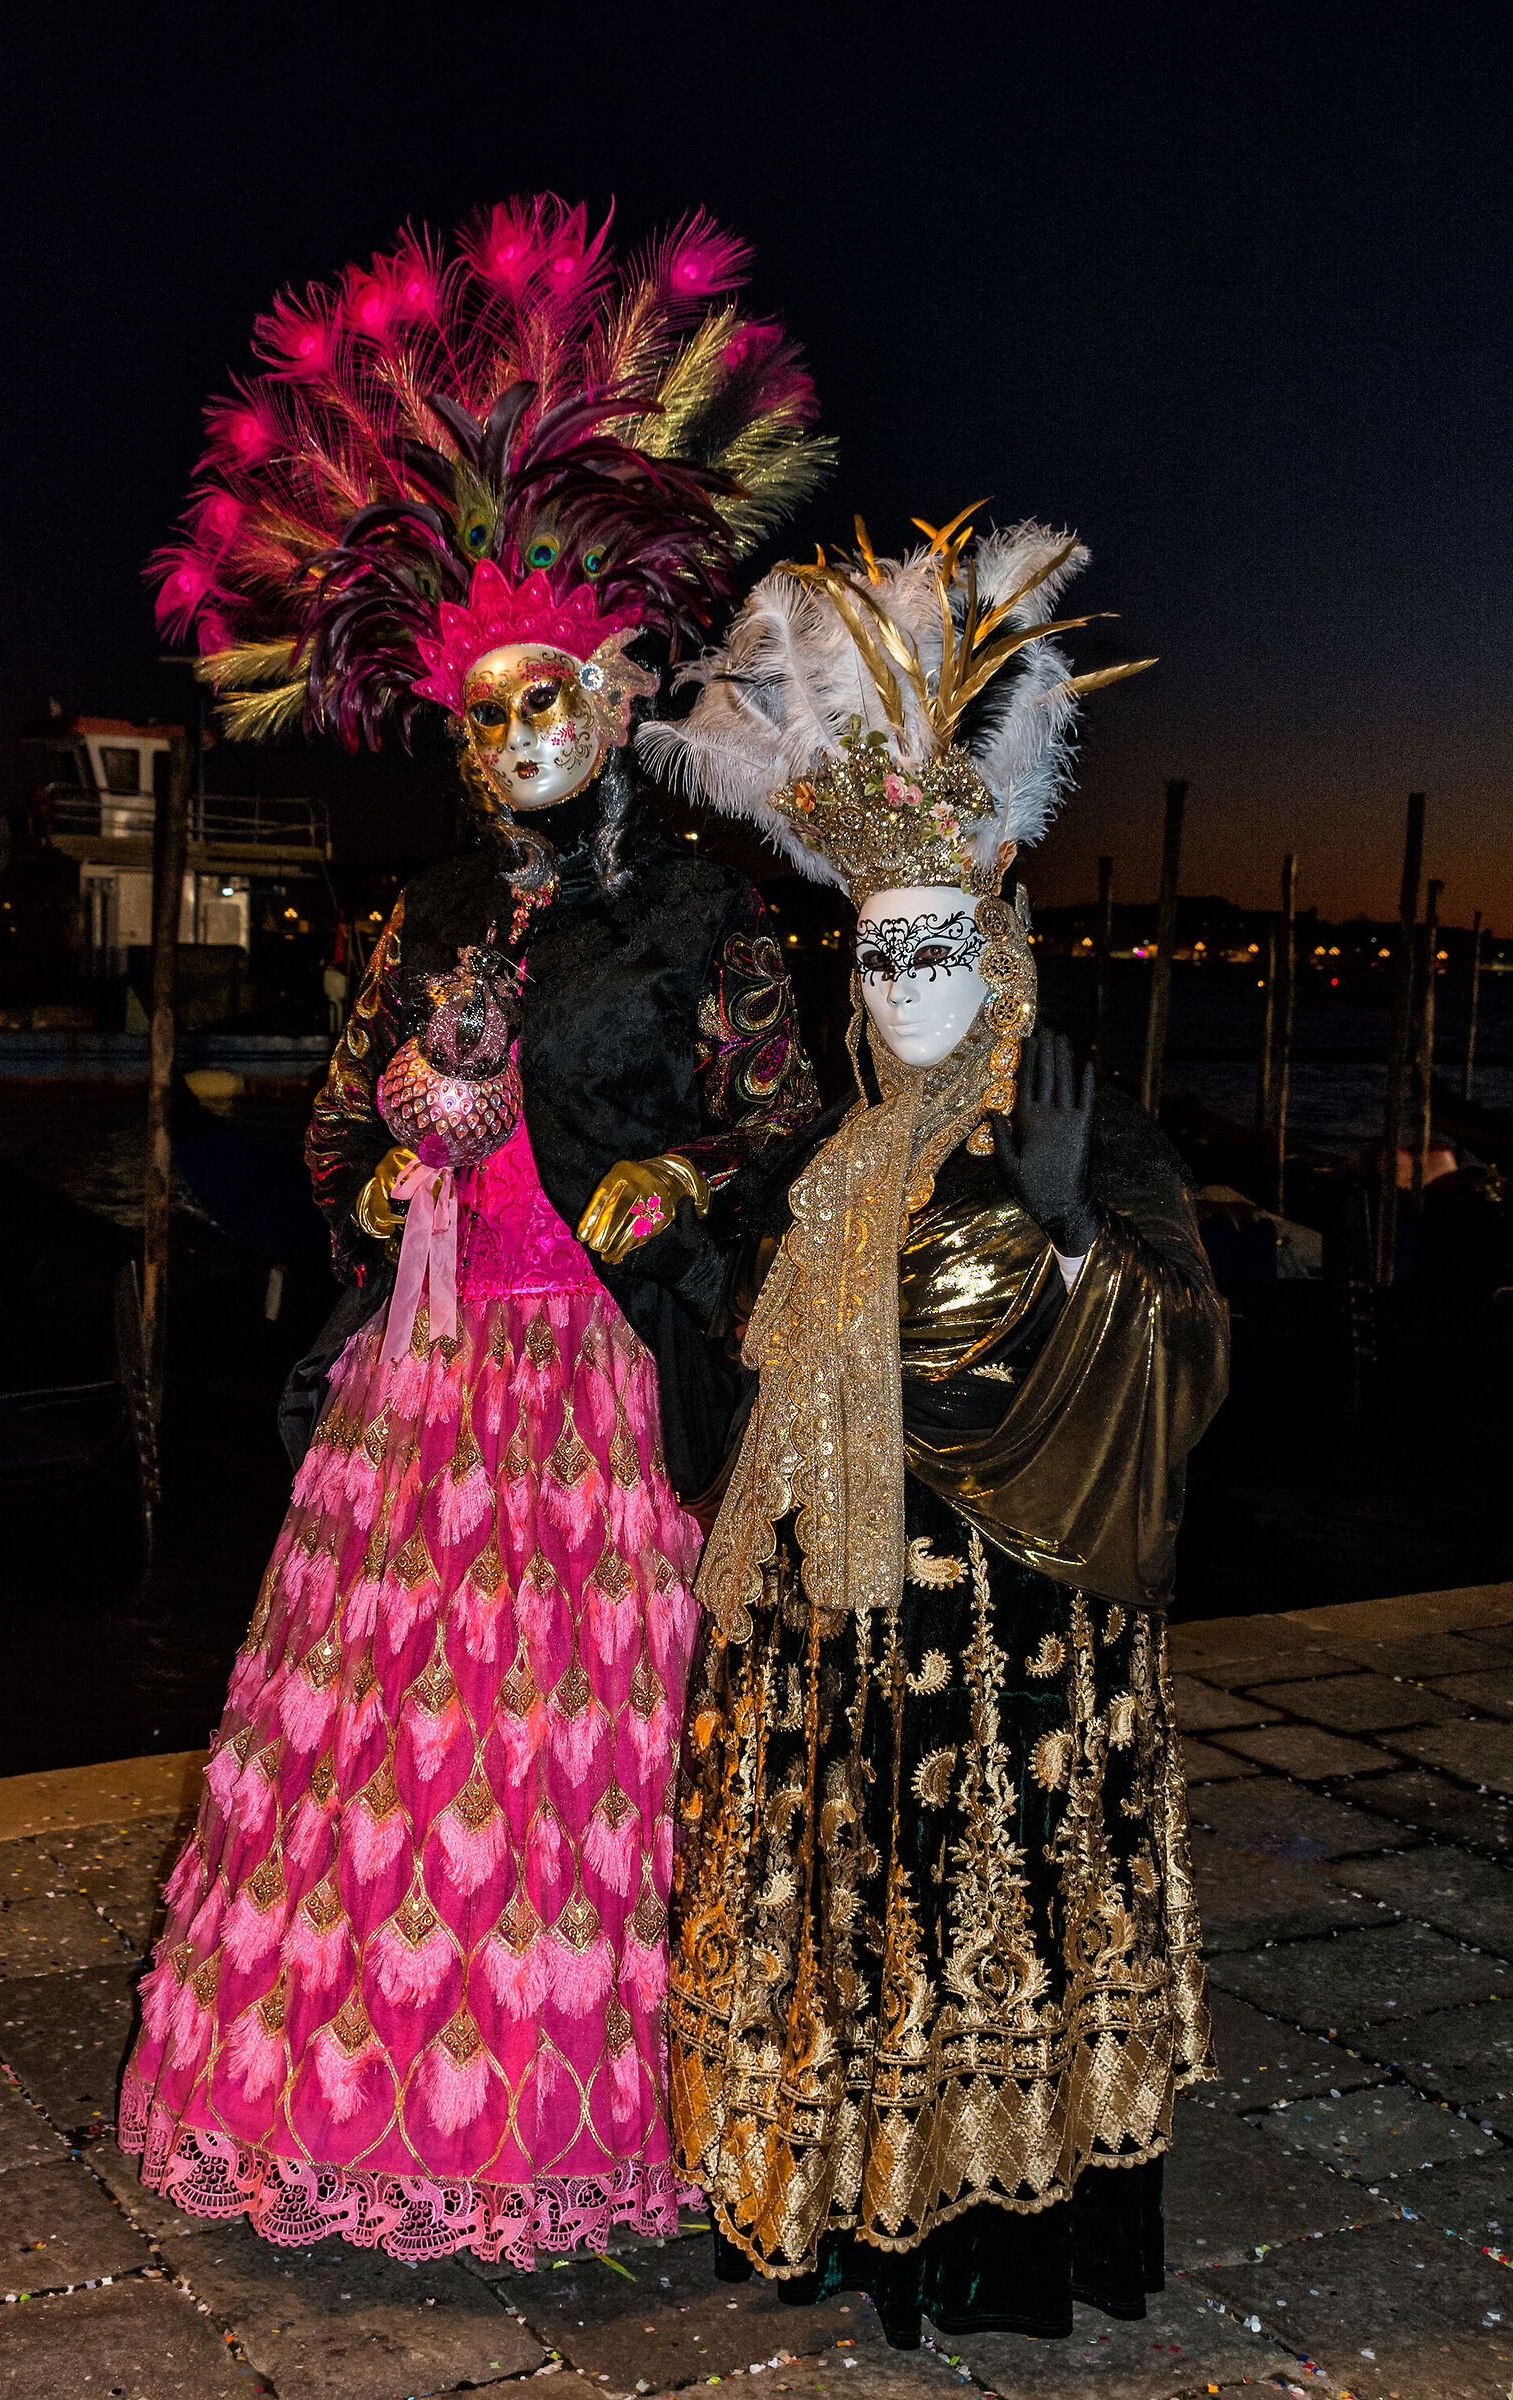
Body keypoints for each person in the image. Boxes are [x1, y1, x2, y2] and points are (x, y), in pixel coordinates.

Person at [119, 195, 827, 2269]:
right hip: (427, 1389)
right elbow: (342, 1126)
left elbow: (780, 1123)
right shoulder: (421, 920)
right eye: (482, 713)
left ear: (617, 700)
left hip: (609, 1387)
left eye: (550, 702)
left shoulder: (700, 914)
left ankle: (625, 2130)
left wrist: (673, 1184)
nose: (515, 741)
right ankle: (375, 2120)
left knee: (586, 1779)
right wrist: (398, 1155)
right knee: (399, 1770)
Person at [648, 517, 1230, 2343]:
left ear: (998, 947)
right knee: (844, 1918)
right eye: (877, 955)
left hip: (1013, 1651)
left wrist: (1069, 1238)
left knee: (975, 1909)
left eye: (938, 948)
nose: (907, 988)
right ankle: (830, 2197)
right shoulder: (833, 1171)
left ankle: (990, 2225)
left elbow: (1189, 1362)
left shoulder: (1088, 1127)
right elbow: (760, 1394)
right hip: (843, 1648)